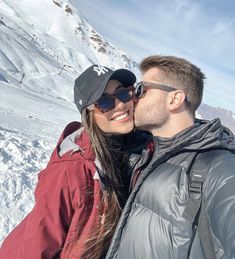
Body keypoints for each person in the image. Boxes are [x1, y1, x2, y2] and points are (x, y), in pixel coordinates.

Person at [0, 64, 141, 259]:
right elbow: (37, 246)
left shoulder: (128, 149)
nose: (120, 104)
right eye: (105, 102)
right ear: (88, 114)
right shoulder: (69, 170)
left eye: (123, 94)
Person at [106, 55, 235, 259]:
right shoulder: (145, 149)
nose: (133, 98)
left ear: (174, 99)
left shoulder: (218, 167)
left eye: (142, 90)